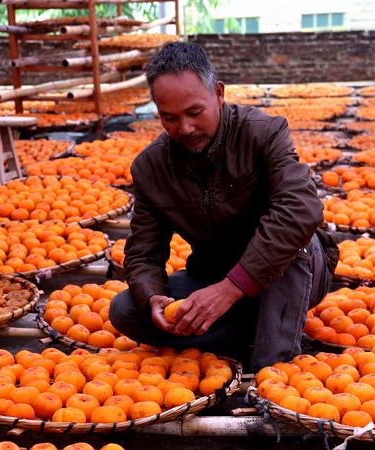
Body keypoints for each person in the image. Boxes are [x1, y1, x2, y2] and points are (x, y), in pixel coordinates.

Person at [109, 42, 338, 370]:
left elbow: (301, 209)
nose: (185, 129)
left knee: (291, 241)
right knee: (127, 310)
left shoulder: (263, 133)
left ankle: (272, 365)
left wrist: (231, 288)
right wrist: (153, 295)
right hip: (214, 273)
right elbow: (143, 253)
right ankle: (242, 334)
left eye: (194, 112)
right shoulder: (151, 168)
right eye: (169, 118)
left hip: (292, 271)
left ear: (218, 93)